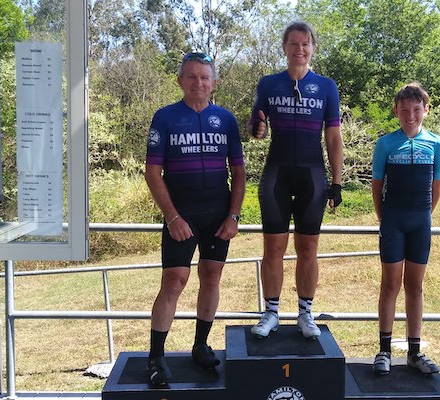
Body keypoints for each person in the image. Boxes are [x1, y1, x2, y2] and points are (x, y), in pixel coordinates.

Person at [144, 52, 246, 387]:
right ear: (180, 81)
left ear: (214, 83)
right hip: (181, 213)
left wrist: (233, 215)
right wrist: (172, 217)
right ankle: (155, 356)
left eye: (204, 77)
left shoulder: (225, 119)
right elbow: (152, 172)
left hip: (217, 212)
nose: (198, 82)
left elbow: (239, 172)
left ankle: (201, 345)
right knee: (174, 281)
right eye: (191, 76)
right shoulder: (165, 117)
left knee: (211, 277)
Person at [247, 21, 344, 340]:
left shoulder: (327, 86)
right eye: (293, 43)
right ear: (284, 47)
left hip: (311, 177)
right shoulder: (268, 84)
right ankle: (271, 313)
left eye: (305, 44)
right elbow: (256, 127)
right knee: (273, 248)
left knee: (308, 248)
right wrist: (257, 128)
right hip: (277, 175)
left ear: (313, 48)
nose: (299, 49)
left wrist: (337, 182)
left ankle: (305, 313)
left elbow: (333, 137)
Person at [371, 82, 440, 375]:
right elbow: (377, 187)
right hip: (393, 221)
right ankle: (384, 350)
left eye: (416, 110)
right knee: (390, 285)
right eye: (404, 110)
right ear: (396, 111)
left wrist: (424, 216)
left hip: (420, 223)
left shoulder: (437, 144)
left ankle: (415, 352)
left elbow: (437, 188)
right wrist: (385, 218)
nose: (410, 116)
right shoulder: (385, 144)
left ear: (426, 110)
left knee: (415, 286)